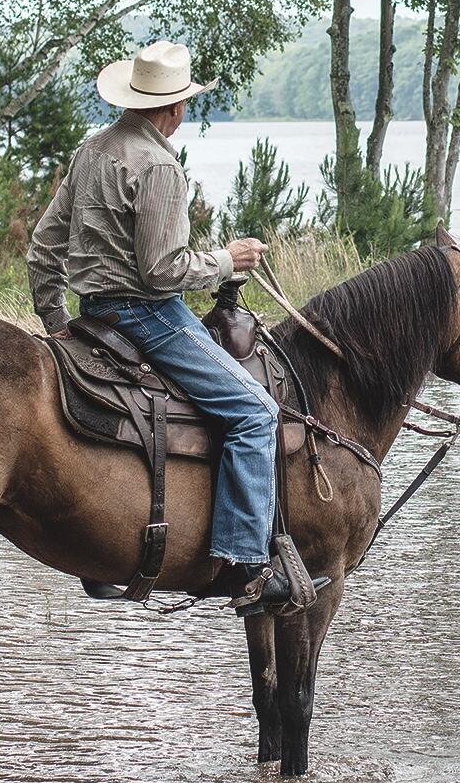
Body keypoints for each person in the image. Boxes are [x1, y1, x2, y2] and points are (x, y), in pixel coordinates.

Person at [27, 40, 298, 614]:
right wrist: (227, 261)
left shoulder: (91, 150)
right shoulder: (158, 166)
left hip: (93, 315)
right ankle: (247, 563)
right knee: (255, 411)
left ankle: (106, 556)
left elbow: (42, 248)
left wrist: (56, 323)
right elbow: (162, 270)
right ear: (174, 110)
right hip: (148, 315)